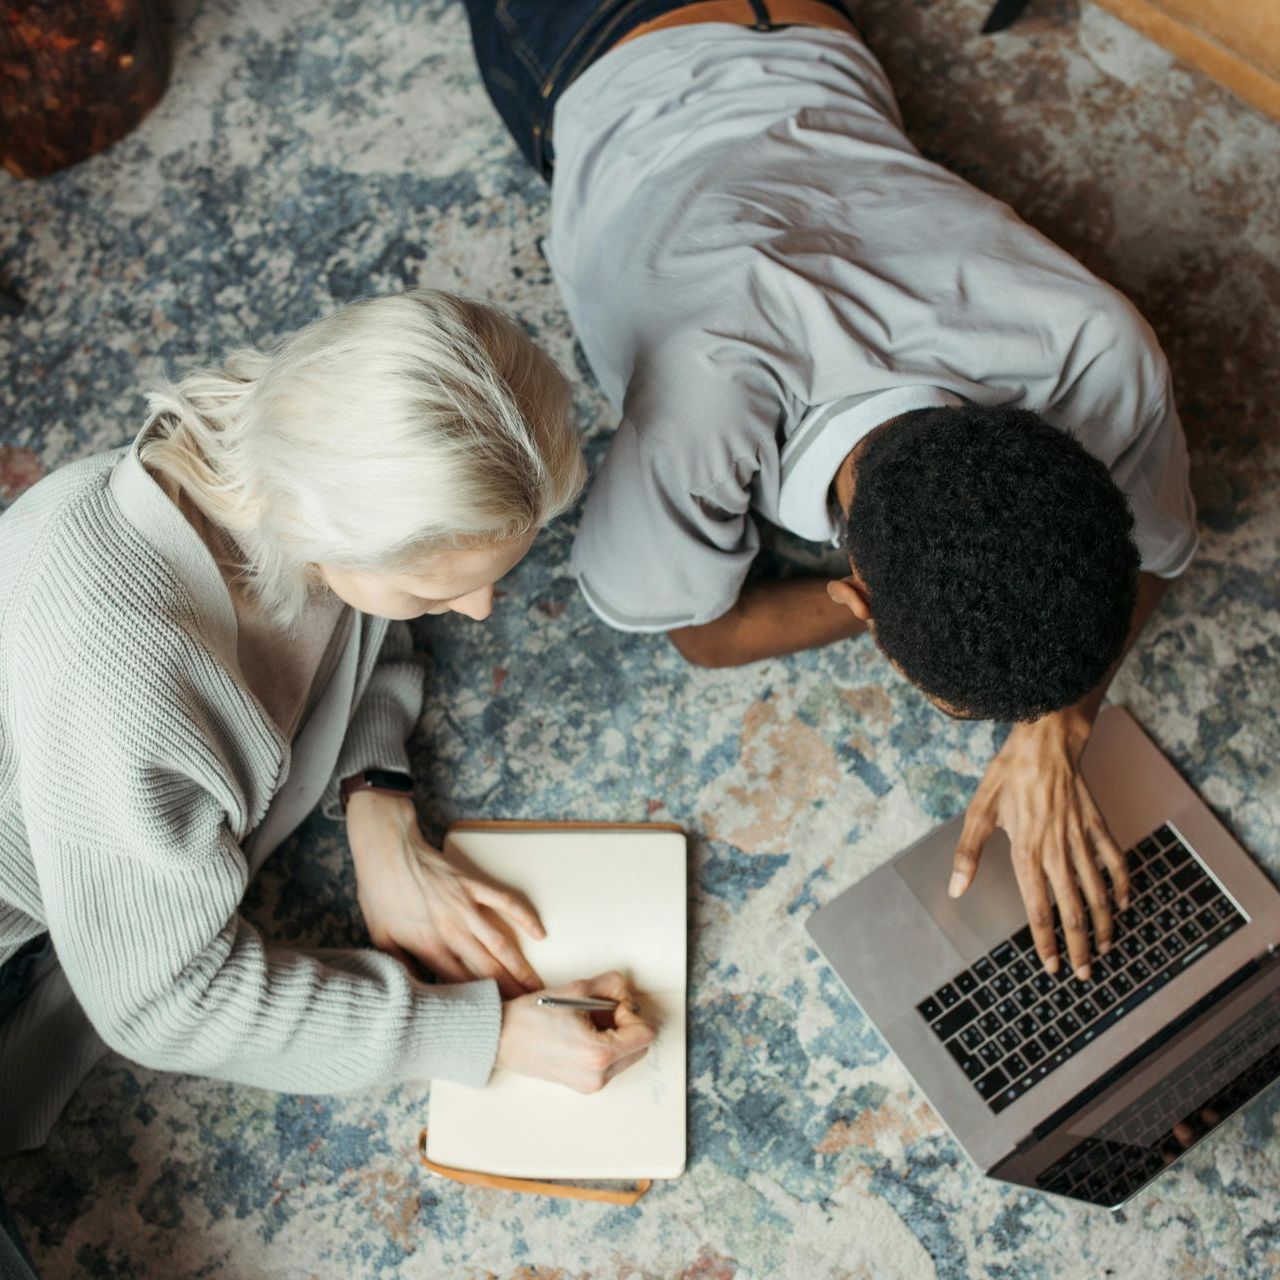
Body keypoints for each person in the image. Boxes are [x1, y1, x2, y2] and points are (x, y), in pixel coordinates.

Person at [460, 0, 1198, 982]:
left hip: (798, 30)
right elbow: (701, 634)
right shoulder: (702, 407)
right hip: (583, 43)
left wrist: (1055, 729)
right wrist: (858, 611)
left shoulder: (1095, 344)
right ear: (860, 595)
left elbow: (1146, 553)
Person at [0, 288, 656, 1160]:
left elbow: (361, 623)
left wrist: (378, 806)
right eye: (436, 588)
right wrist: (485, 1035)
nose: (479, 608)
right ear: (324, 532)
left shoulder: (301, 445)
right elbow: (160, 1003)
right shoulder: (127, 677)